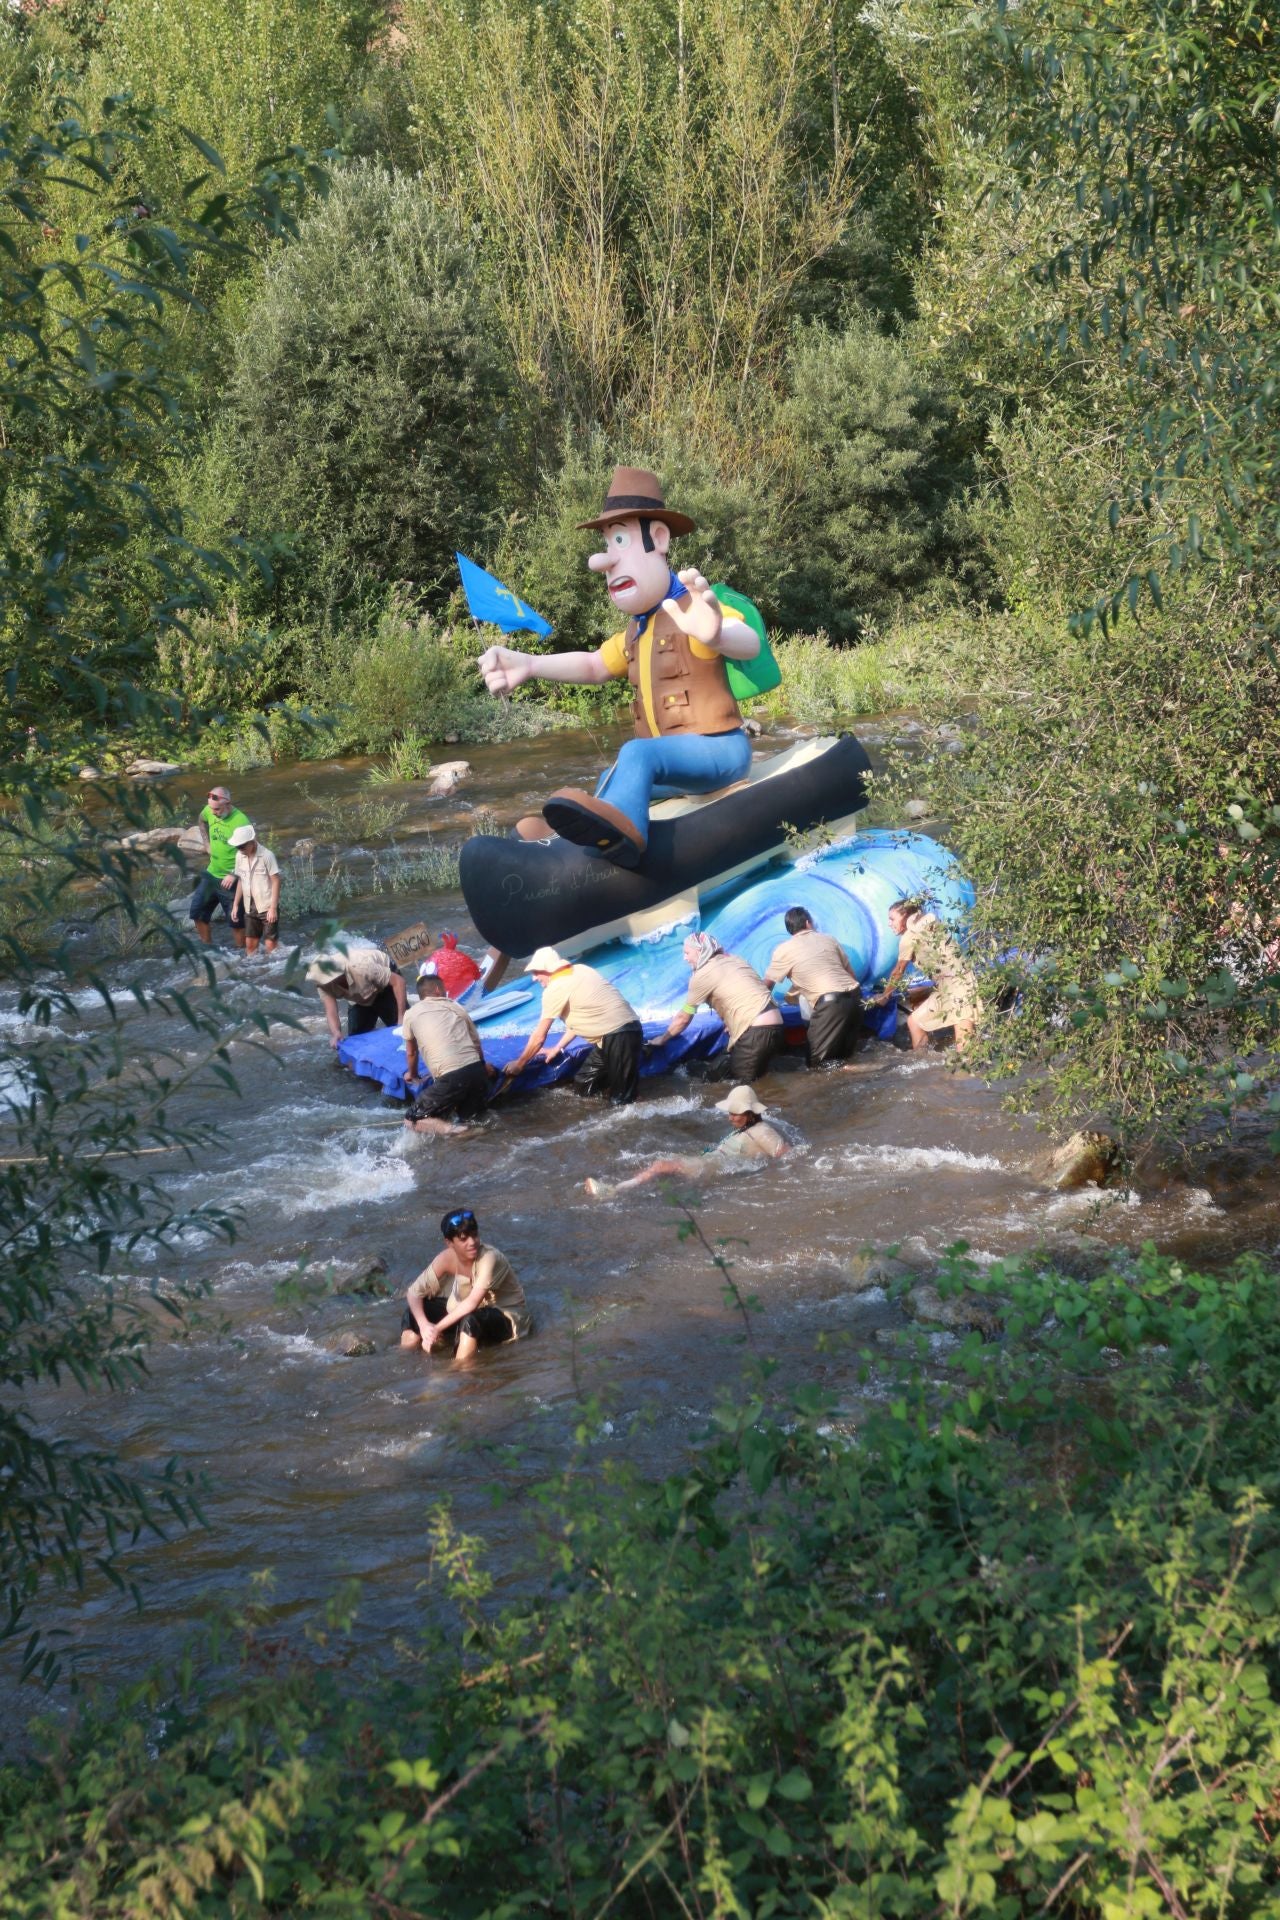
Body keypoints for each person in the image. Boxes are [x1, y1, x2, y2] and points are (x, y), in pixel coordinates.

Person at [477, 467, 763, 867]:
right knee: (616, 774)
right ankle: (570, 846)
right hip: (676, 766)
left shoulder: (697, 609)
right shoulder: (635, 631)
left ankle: (623, 839)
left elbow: (747, 642)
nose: (604, 561)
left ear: (659, 539)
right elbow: (594, 664)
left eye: (621, 540)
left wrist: (717, 636)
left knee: (638, 755)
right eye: (607, 543)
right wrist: (529, 664)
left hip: (720, 751)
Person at [584, 1084, 788, 1198]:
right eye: (730, 1113)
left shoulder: (762, 1131)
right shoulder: (746, 1128)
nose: (730, 1118)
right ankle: (622, 1189)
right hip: (712, 1163)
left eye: (735, 1113)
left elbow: (788, 1155)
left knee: (661, 1165)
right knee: (661, 1170)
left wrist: (770, 1176)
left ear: (750, 1112)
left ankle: (614, 1191)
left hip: (713, 1167)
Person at [501, 946, 644, 1102]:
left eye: (536, 972)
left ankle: (631, 1102)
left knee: (623, 1101)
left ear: (548, 969)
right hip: (618, 1034)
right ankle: (616, 1091)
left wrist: (520, 1063)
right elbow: (580, 1017)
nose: (534, 978)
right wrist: (556, 1048)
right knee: (584, 1085)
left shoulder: (555, 989)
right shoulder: (581, 969)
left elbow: (539, 1036)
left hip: (619, 1035)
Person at [400, 1209, 530, 1361]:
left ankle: (459, 1373)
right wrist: (424, 1326)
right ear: (449, 1243)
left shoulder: (489, 1258)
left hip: (508, 1317)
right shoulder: (446, 1259)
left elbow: (472, 1303)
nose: (472, 1242)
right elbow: (414, 1293)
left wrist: (436, 1328)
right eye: (463, 1239)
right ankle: (406, 1359)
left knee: (471, 1320)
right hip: (468, 1314)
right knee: (414, 1313)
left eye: (475, 1235)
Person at [653, 931, 783, 1081]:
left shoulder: (702, 975)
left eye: (687, 953)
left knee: (744, 1092)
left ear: (700, 951)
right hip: (776, 1025)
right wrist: (736, 1020)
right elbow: (754, 992)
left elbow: (684, 1018)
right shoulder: (736, 959)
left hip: (756, 1030)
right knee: (739, 1078)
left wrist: (663, 1038)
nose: (685, 958)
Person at [870, 899, 981, 1053]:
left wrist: (885, 996)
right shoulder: (929, 924)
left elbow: (898, 971)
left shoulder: (908, 938)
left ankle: (963, 1071)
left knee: (965, 1048)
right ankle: (924, 1061)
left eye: (892, 919)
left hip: (958, 984)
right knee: (915, 1022)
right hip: (954, 983)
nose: (889, 923)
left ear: (905, 916)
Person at [764, 906, 863, 1064]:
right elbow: (851, 975)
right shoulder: (829, 939)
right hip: (855, 997)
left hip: (831, 1005)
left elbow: (767, 986)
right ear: (808, 923)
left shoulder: (783, 950)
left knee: (817, 1065)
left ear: (790, 930)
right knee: (846, 1059)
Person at [402, 962, 492, 1136]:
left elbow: (411, 1052)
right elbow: (476, 1043)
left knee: (411, 1120)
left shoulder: (411, 1014)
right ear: (437, 990)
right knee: (472, 1119)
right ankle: (470, 1132)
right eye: (444, 989)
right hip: (476, 1072)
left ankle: (451, 1130)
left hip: (451, 1078)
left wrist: (412, 1075)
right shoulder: (456, 1007)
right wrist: (483, 1066)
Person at [307, 945, 407, 1048]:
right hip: (359, 997)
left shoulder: (361, 967)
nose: (325, 984)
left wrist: (401, 1016)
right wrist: (336, 1032)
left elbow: (399, 982)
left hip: (384, 984)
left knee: (404, 1030)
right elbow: (331, 1011)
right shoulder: (321, 984)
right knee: (356, 1043)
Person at [188, 784, 249, 949]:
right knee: (197, 913)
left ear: (228, 803)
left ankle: (242, 957)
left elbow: (251, 853)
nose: (213, 813)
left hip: (232, 880)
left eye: (217, 810)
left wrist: (234, 873)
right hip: (211, 873)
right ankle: (207, 949)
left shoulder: (241, 822)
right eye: (212, 809)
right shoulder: (209, 810)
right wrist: (206, 843)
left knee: (236, 921)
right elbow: (201, 820)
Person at [228, 823, 281, 956]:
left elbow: (276, 881)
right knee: (250, 946)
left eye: (242, 846)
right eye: (237, 847)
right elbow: (240, 880)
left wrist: (273, 908)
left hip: (267, 905)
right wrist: (235, 905)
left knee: (271, 946)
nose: (240, 849)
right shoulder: (239, 856)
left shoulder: (267, 856)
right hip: (249, 907)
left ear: (251, 842)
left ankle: (275, 972)